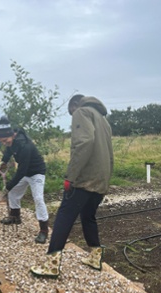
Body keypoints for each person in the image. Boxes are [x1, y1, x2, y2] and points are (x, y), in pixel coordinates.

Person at [31, 94, 114, 277]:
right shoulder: (103, 120)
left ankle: (51, 265)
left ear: (74, 105)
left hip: (84, 179)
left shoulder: (81, 112)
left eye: (71, 113)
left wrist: (71, 176)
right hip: (101, 179)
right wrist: (106, 179)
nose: (72, 118)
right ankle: (95, 257)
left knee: (64, 216)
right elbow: (109, 153)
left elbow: (83, 143)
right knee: (88, 216)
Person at [0, 116, 49, 244]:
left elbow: (22, 171)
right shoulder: (11, 142)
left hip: (36, 173)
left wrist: (8, 185)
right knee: (14, 193)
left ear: (12, 135)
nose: (4, 143)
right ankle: (15, 217)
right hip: (25, 173)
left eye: (5, 140)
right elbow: (8, 152)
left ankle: (44, 231)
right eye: (1, 141)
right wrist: (3, 162)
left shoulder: (25, 146)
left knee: (38, 198)